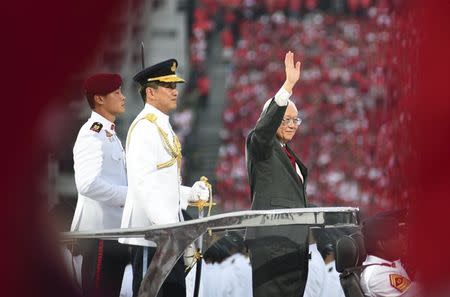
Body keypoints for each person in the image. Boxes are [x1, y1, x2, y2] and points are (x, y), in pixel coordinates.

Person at [120, 59, 209, 297]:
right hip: (155, 235)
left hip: (168, 234)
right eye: (168, 87)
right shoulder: (144, 127)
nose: (175, 91)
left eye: (175, 86)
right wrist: (167, 229)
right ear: (150, 92)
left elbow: (165, 185)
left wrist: (191, 193)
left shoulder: (162, 125)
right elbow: (144, 183)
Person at [245, 51, 309, 297]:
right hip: (272, 243)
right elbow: (263, 130)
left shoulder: (289, 155)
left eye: (296, 120)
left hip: (295, 247)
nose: (293, 124)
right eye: (286, 119)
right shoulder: (260, 146)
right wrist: (288, 86)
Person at [71, 73, 129, 297]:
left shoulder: (108, 134)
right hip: (100, 235)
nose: (123, 97)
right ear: (100, 99)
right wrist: (129, 196)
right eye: (117, 93)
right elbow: (88, 184)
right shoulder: (91, 134)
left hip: (112, 234)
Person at [360, 211, 420, 297]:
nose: (403, 239)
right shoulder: (378, 275)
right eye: (396, 236)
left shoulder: (387, 263)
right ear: (381, 244)